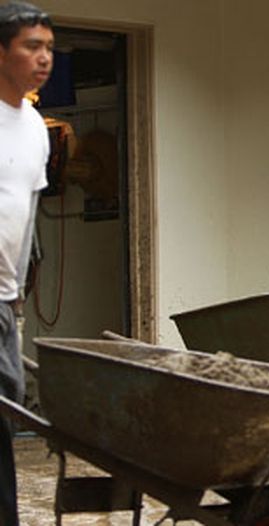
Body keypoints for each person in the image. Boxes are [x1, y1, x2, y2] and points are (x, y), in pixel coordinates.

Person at [0, 2, 53, 523]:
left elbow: (27, 210)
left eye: (49, 48)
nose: (44, 58)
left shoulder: (35, 126)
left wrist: (16, 287)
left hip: (2, 299)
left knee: (8, 406)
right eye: (30, 47)